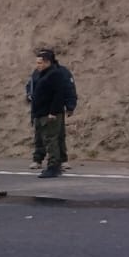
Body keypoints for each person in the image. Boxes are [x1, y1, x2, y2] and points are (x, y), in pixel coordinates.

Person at [29, 48, 74, 178]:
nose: (37, 65)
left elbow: (58, 95)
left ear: (47, 62)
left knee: (51, 140)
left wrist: (53, 112)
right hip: (41, 112)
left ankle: (53, 166)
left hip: (49, 113)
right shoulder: (41, 74)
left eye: (40, 63)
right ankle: (53, 165)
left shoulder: (54, 74)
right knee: (45, 139)